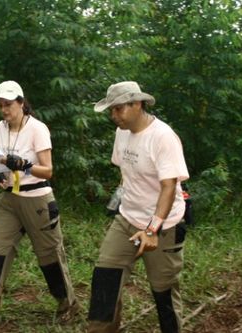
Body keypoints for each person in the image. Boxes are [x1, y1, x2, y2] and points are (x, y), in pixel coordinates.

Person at [0, 81, 78, 333]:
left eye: (9, 105)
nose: (4, 110)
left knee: (50, 257)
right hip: (10, 200)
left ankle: (68, 305)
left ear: (21, 103)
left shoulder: (37, 129)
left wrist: (22, 165)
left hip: (37, 200)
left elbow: (48, 170)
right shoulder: (0, 127)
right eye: (0, 105)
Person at [86, 81, 190, 333]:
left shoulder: (162, 137)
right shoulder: (122, 133)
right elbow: (126, 172)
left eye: (118, 109)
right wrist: (118, 199)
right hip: (126, 220)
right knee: (105, 281)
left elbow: (168, 187)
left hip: (162, 227)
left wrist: (153, 229)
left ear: (137, 104)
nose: (114, 116)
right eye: (111, 110)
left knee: (163, 292)